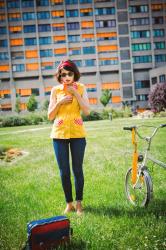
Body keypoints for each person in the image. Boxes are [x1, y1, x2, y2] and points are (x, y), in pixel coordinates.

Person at [48, 60, 90, 215]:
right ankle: (69, 203)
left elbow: (87, 111)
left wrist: (76, 94)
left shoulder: (81, 88)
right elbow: (50, 116)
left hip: (78, 134)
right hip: (59, 134)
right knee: (64, 171)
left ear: (74, 74)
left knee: (77, 170)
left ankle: (79, 204)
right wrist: (59, 103)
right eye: (63, 74)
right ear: (60, 75)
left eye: (69, 74)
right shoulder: (55, 90)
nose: (66, 77)